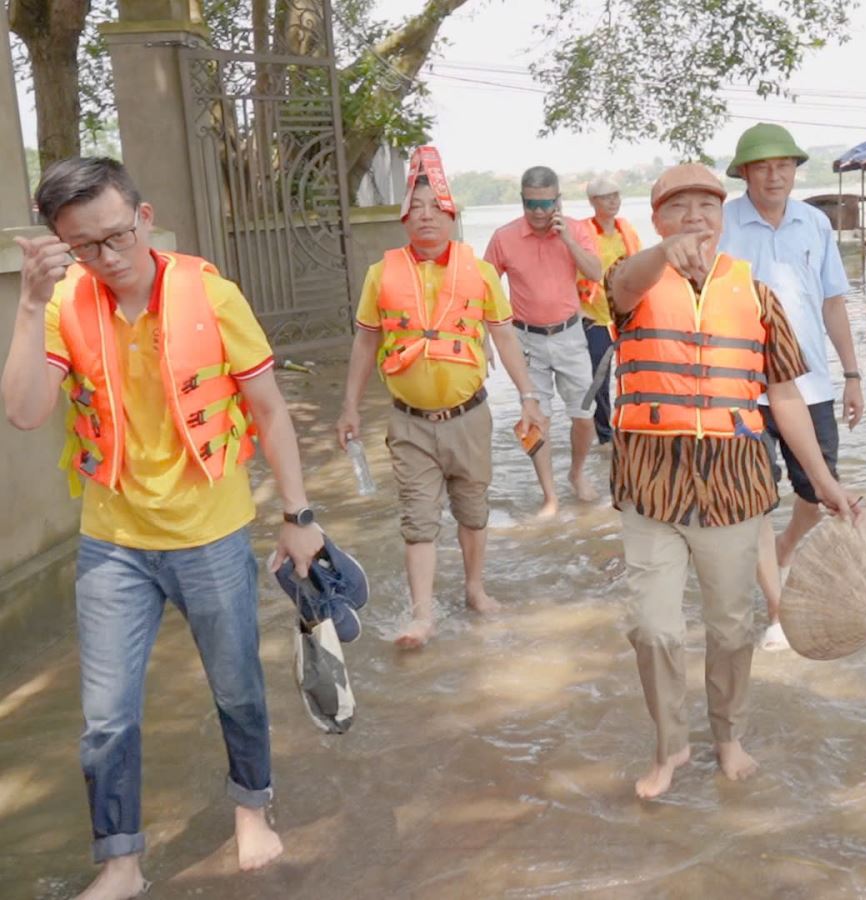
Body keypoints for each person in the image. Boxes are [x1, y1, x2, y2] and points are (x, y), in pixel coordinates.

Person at [1, 157, 324, 899]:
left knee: (238, 687)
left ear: (144, 218)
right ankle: (121, 863)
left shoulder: (211, 295)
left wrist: (298, 516)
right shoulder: (63, 305)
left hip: (210, 533)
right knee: (105, 717)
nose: (107, 259)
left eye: (116, 237)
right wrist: (28, 305)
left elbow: (271, 411)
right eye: (85, 247)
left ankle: (252, 808)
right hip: (112, 541)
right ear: (62, 245)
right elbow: (22, 411)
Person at [605, 163, 860, 800]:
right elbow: (623, 285)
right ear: (656, 219)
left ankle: (728, 735)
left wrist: (825, 482)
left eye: (707, 208)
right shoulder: (633, 281)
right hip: (650, 485)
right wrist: (663, 255)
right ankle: (670, 747)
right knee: (654, 627)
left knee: (730, 627)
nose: (695, 218)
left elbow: (785, 395)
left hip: (734, 483)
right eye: (679, 208)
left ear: (723, 219)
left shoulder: (755, 292)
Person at [335, 148, 547, 650]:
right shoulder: (379, 275)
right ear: (404, 216)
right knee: (418, 516)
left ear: (453, 214)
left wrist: (529, 396)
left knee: (473, 509)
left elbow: (504, 336)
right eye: (417, 207)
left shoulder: (480, 272)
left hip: (469, 417)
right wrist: (348, 407)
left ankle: (475, 590)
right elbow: (366, 342)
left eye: (437, 206)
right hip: (409, 422)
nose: (426, 215)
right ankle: (422, 615)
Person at [718, 123, 865, 652]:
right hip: (739, 386)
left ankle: (786, 546)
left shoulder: (815, 223)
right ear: (744, 173)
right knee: (756, 499)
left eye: (784, 164)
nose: (775, 174)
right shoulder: (723, 224)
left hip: (809, 383)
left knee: (818, 490)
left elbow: (832, 303)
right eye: (763, 165)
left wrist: (851, 375)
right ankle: (779, 612)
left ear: (796, 170)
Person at [484, 166, 603, 516]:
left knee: (585, 415)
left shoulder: (577, 230)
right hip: (525, 339)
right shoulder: (504, 238)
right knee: (536, 421)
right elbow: (482, 289)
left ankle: (577, 473)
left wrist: (565, 238)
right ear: (522, 201)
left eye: (546, 204)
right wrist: (484, 337)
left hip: (569, 334)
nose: (538, 212)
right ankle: (549, 495)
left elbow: (596, 273)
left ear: (558, 200)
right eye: (531, 204)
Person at [574, 176, 642, 444]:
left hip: (626, 314)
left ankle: (633, 427)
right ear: (592, 202)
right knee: (598, 381)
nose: (613, 200)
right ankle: (604, 436)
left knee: (635, 374)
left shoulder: (628, 230)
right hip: (593, 316)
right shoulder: (582, 233)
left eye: (616, 194)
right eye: (606, 196)